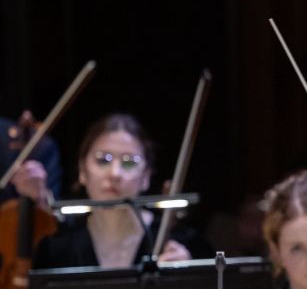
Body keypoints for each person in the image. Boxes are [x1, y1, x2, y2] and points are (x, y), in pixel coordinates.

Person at [32, 114, 209, 269]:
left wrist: (188, 277)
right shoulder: (57, 248)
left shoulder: (183, 242)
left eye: (129, 162)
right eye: (103, 160)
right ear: (82, 171)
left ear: (146, 176)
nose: (115, 173)